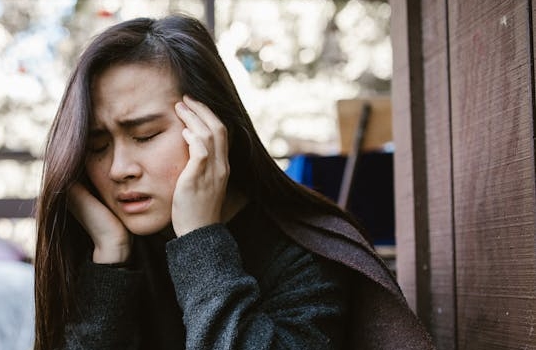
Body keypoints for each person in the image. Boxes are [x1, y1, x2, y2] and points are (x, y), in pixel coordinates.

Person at [34, 14, 434, 350]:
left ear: (212, 128)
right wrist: (109, 257)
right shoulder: (103, 251)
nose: (119, 168)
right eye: (97, 146)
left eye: (145, 136)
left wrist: (200, 241)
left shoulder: (304, 256)